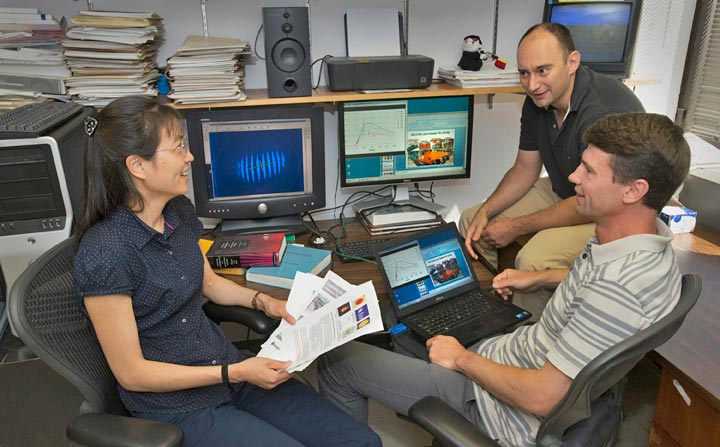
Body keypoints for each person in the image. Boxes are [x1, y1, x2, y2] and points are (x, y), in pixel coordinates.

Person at [319, 112, 690, 447]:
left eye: (589, 171)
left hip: (498, 405)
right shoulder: (647, 247)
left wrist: (462, 359)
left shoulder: (617, 289)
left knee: (337, 362)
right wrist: (540, 277)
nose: (573, 176)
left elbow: (543, 398)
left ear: (633, 190)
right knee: (407, 325)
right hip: (513, 355)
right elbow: (596, 290)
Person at [73, 96, 381, 447]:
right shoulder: (106, 252)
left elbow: (210, 284)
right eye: (177, 148)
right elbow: (132, 374)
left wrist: (266, 302)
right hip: (176, 406)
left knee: (360, 442)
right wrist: (235, 371)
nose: (189, 157)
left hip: (228, 371)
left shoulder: (179, 212)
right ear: (138, 166)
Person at [460, 23, 644, 320]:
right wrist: (487, 210)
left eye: (543, 71)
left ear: (572, 62)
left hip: (612, 209)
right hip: (566, 189)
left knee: (534, 259)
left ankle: (527, 344)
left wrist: (518, 226)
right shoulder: (537, 101)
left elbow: (595, 200)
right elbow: (525, 168)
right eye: (524, 73)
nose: (532, 84)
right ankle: (490, 315)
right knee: (473, 221)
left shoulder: (603, 112)